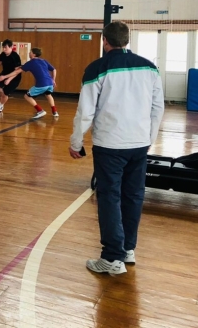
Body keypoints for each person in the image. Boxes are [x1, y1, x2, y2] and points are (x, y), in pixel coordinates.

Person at [69, 21, 164, 276]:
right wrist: (149, 138)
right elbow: (158, 107)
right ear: (127, 40)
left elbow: (85, 112)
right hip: (139, 144)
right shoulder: (149, 67)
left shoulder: (97, 68)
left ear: (104, 41)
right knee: (133, 195)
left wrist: (76, 142)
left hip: (110, 145)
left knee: (110, 197)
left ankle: (112, 257)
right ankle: (127, 249)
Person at [0, 47, 58, 119]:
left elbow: (17, 72)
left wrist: (4, 77)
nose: (29, 53)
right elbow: (54, 69)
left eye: (30, 52)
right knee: (48, 95)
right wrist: (53, 80)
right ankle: (55, 111)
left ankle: (40, 111)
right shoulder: (43, 61)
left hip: (42, 84)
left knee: (27, 96)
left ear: (34, 54)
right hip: (50, 83)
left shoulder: (31, 63)